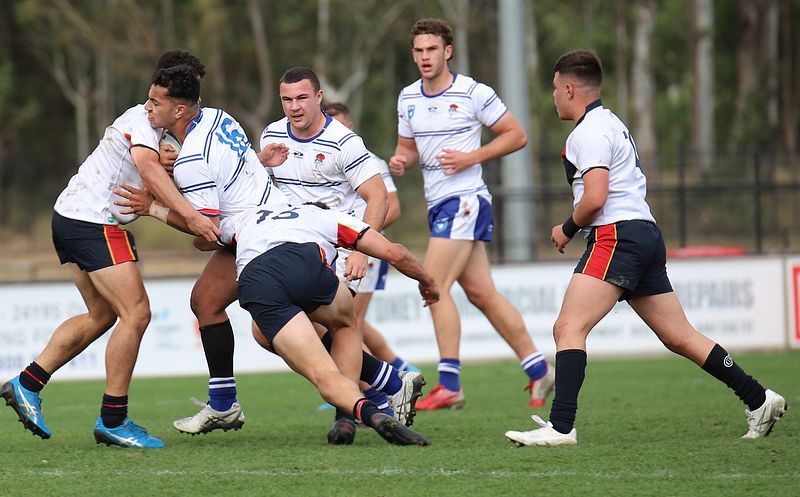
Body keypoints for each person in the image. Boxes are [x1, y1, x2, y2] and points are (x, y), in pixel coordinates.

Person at [504, 50, 788, 447]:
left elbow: (596, 196)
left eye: (555, 89)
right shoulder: (612, 123)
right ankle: (759, 398)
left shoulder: (587, 132)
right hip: (644, 233)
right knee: (679, 336)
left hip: (617, 235)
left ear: (570, 88)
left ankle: (561, 427)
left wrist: (566, 228)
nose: (553, 96)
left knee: (568, 327)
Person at [0, 52, 220, 449]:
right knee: (136, 313)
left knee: (101, 315)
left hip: (70, 217)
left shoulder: (163, 131)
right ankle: (113, 419)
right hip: (91, 223)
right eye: (152, 99)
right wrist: (191, 215)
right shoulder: (141, 121)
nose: (151, 107)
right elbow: (150, 171)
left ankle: (26, 383)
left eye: (158, 102)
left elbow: (180, 169)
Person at [389, 18, 554, 410]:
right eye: (418, 50)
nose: (425, 57)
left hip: (464, 199)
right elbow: (407, 149)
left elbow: (517, 134)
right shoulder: (408, 98)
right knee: (482, 293)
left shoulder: (473, 92)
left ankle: (450, 383)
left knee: (433, 285)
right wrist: (401, 160)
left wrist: (471, 157)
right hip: (441, 204)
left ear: (447, 51)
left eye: (432, 49)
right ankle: (539, 370)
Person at [259, 68, 425, 443]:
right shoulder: (271, 135)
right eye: (287, 99)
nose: (294, 107)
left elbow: (378, 196)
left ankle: (347, 415)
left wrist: (361, 248)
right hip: (287, 248)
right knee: (268, 332)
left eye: (302, 98)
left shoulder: (344, 141)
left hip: (336, 249)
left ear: (318, 97)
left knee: (338, 326)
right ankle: (388, 382)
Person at [203, 201, 437, 446]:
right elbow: (395, 253)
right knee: (344, 325)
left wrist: (164, 210)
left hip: (258, 279)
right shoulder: (326, 218)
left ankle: (368, 413)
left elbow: (206, 237)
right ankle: (382, 389)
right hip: (306, 265)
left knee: (323, 374)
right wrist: (427, 282)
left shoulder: (247, 216)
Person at [323, 102, 419, 373]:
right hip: (339, 253)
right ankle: (402, 369)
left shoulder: (369, 160)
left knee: (350, 324)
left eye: (340, 124)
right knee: (353, 322)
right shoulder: (324, 159)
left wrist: (359, 236)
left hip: (365, 252)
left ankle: (362, 390)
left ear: (350, 126)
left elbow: (394, 207)